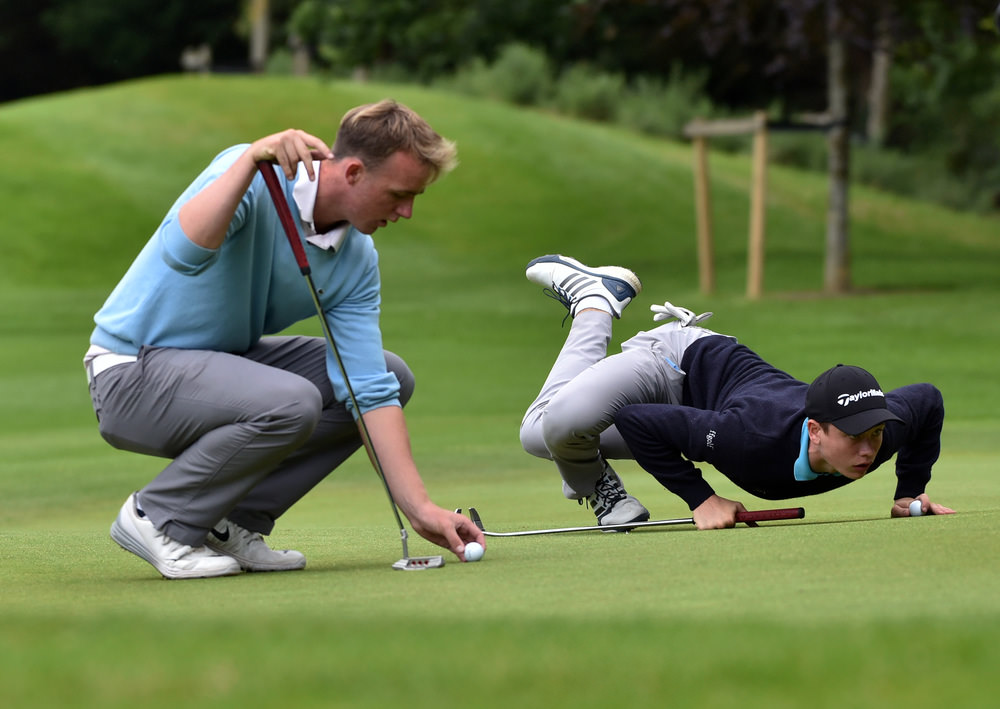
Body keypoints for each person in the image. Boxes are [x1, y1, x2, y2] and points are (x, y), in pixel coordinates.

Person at [86, 99, 485, 579]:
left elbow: (367, 389)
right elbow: (184, 252)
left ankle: (228, 522)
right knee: (291, 401)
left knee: (391, 376)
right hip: (129, 372)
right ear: (354, 172)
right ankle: (158, 516)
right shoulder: (253, 174)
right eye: (399, 194)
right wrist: (252, 160)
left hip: (213, 369)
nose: (407, 211)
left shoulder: (357, 261)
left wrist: (421, 508)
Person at [519, 254, 954, 530]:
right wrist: (701, 498)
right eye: (855, 437)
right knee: (554, 427)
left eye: (874, 434)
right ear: (817, 431)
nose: (868, 449)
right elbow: (639, 420)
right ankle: (595, 302)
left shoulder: (878, 436)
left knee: (539, 441)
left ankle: (591, 301)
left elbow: (927, 399)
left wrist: (909, 491)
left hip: (699, 415)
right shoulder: (751, 439)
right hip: (674, 365)